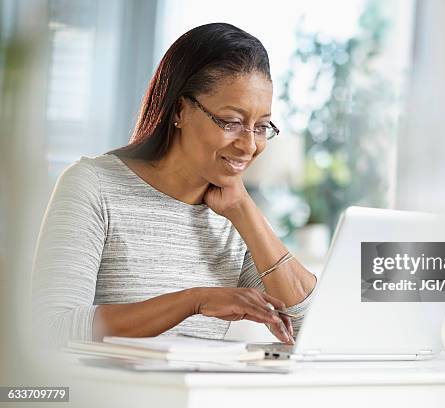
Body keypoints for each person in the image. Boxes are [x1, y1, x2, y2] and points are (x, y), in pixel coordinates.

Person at [31, 23, 317, 348]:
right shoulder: (93, 186)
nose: (249, 145)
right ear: (180, 109)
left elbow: (308, 328)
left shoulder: (233, 218)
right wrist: (192, 302)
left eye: (262, 126)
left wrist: (244, 212)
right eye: (232, 122)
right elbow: (51, 328)